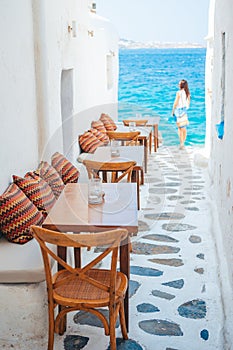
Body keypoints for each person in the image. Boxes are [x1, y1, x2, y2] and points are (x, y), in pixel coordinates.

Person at [172, 79, 191, 149]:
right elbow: (188, 103)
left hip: (178, 110)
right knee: (184, 128)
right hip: (184, 110)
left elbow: (176, 102)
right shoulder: (187, 93)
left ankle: (181, 143)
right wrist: (185, 108)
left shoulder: (178, 93)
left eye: (179, 84)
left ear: (181, 85)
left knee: (179, 128)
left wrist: (173, 110)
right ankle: (183, 143)